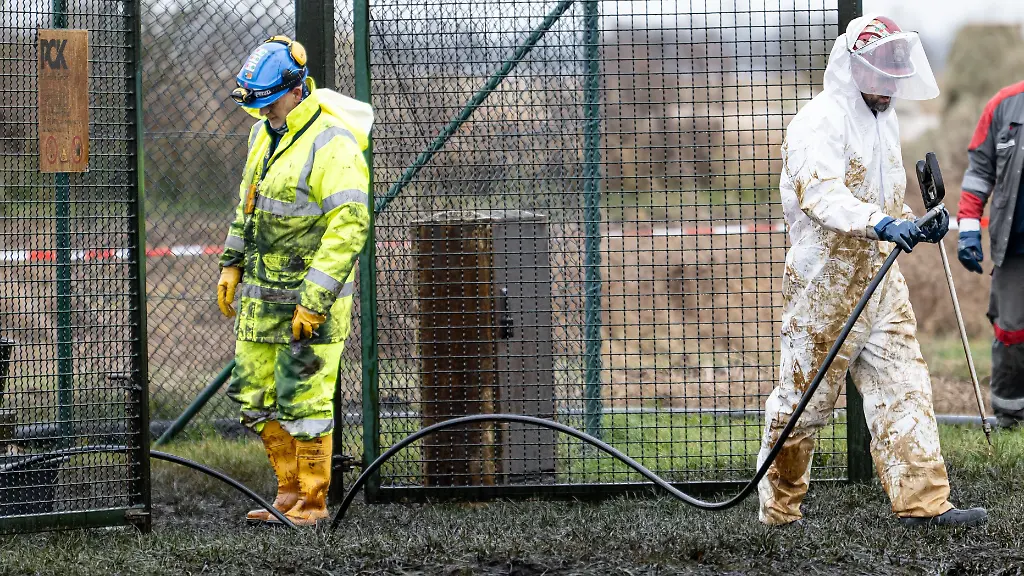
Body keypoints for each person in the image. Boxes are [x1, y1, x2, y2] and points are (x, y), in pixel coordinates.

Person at [757, 14, 987, 527]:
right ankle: (779, 509)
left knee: (903, 385)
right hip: (824, 284)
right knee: (805, 402)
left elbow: (882, 198)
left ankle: (923, 503)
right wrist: (879, 222)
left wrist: (911, 222)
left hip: (881, 280)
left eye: (895, 73)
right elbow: (820, 194)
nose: (889, 85)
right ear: (856, 67)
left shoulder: (886, 119)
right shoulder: (819, 120)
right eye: (881, 72)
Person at [216, 35, 372, 526]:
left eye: (270, 101)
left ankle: (313, 499)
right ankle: (286, 493)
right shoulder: (264, 134)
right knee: (252, 393)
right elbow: (248, 204)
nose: (264, 112)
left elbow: (350, 224)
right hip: (262, 297)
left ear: (298, 88)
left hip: (310, 302)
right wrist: (232, 262)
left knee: (303, 399)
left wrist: (316, 300)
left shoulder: (334, 142)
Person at [957, 81, 1024, 428]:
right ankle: (1011, 416)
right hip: (1014, 247)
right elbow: (979, 172)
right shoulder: (1004, 104)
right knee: (1011, 334)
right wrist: (968, 228)